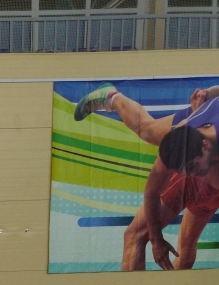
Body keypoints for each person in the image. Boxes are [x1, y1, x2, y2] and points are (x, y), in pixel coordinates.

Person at [74, 82, 219, 270]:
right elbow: (151, 192)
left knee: (182, 246)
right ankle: (112, 98)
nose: (192, 174)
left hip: (206, 145)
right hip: (199, 128)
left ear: (206, 146)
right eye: (185, 170)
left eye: (193, 168)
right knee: (148, 130)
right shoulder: (180, 137)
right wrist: (156, 240)